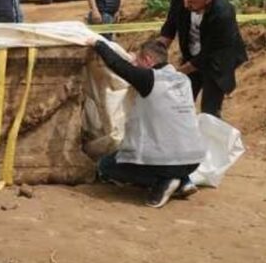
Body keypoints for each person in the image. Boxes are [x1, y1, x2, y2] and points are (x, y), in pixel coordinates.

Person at [88, 39, 207, 208]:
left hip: (167, 161)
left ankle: (164, 182)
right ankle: (183, 180)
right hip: (193, 160)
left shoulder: (149, 78)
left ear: (148, 60)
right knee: (171, 148)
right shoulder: (183, 79)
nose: (135, 65)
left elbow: (117, 65)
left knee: (106, 166)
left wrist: (98, 44)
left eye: (138, 61)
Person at [158, 0, 248, 118]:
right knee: (180, 103)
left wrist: (177, 72)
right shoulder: (180, 0)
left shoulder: (223, 13)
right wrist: (156, 54)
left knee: (209, 111)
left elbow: (208, 54)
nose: (187, 5)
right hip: (192, 54)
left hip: (217, 60)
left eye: (192, 2)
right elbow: (169, 27)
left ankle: (212, 135)